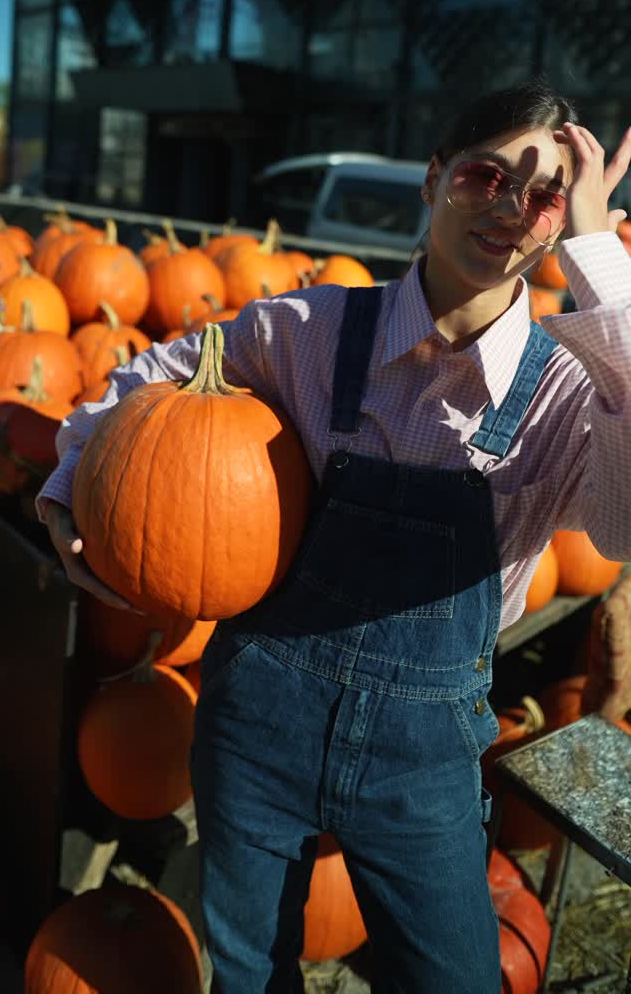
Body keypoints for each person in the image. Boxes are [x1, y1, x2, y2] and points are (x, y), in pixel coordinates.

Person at [39, 79, 631, 993]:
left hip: (424, 763)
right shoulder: (310, 331)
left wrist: (598, 247)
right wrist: (71, 474)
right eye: (487, 174)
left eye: (544, 194)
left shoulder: (565, 395)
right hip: (255, 729)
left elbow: (625, 524)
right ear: (433, 179)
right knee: (246, 974)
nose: (511, 208)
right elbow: (149, 375)